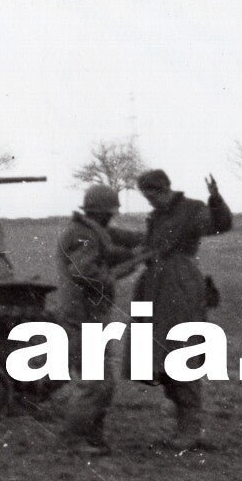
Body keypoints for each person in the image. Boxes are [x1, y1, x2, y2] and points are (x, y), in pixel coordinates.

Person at [131, 169, 232, 449]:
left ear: (162, 189)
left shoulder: (192, 210)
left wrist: (215, 200)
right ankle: (184, 427)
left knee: (181, 354)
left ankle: (189, 430)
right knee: (158, 360)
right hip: (154, 291)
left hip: (181, 288)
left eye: (151, 195)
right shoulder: (157, 216)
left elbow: (220, 225)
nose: (149, 201)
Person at [55, 185, 144, 455]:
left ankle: (92, 437)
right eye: (110, 213)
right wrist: (122, 270)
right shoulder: (83, 234)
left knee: (102, 384)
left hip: (90, 317)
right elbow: (85, 272)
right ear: (102, 213)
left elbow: (118, 240)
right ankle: (74, 440)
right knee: (94, 383)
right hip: (81, 318)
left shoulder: (90, 230)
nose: (112, 218)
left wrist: (143, 244)